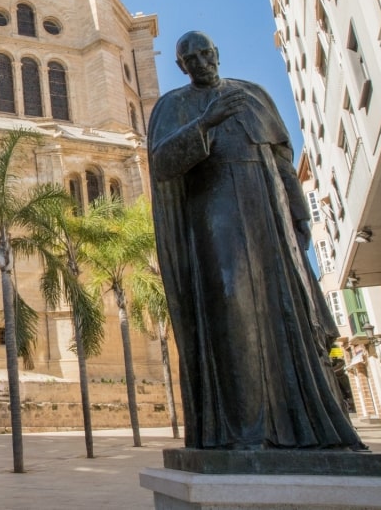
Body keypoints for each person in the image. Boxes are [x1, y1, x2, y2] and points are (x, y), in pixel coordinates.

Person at [147, 30, 365, 451]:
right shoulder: (173, 105)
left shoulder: (254, 95)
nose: (200, 62)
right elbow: (162, 164)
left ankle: (308, 427)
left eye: (205, 53)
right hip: (215, 212)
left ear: (217, 53)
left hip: (267, 206)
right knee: (232, 306)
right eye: (189, 58)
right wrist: (206, 121)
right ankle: (243, 430)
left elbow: (282, 162)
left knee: (288, 309)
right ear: (180, 66)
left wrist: (299, 214)